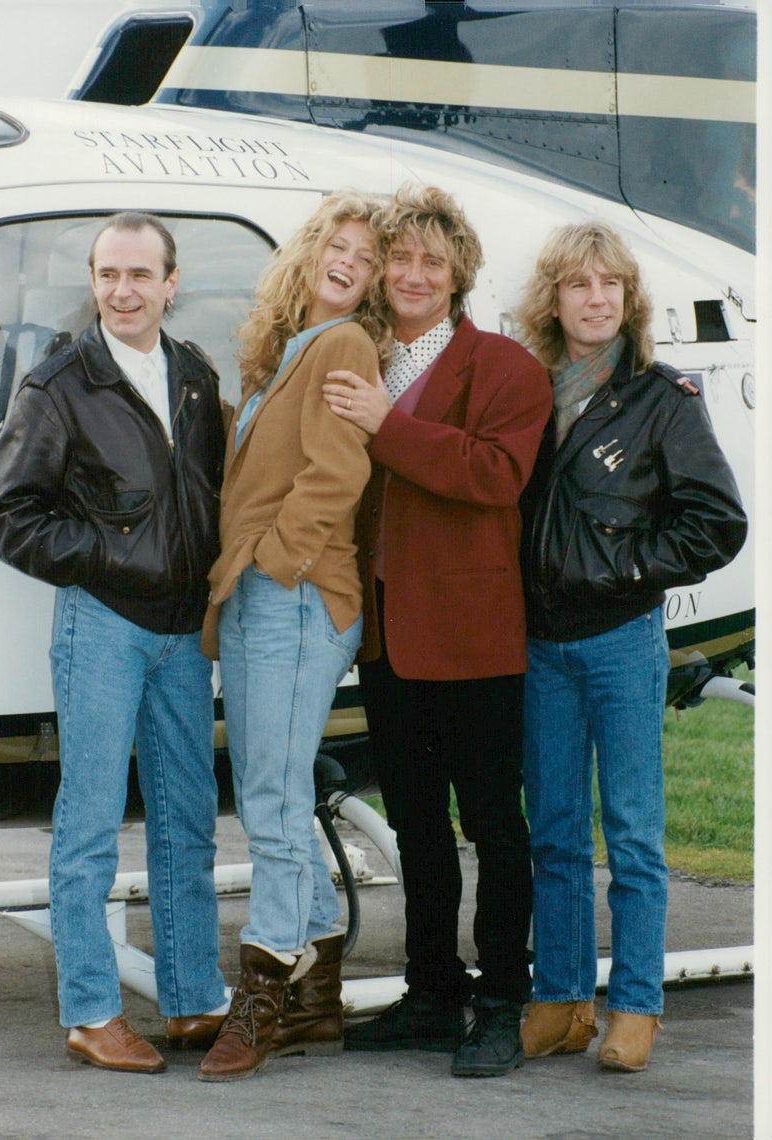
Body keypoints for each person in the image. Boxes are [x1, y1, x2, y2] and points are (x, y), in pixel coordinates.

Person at [0, 211, 230, 1073]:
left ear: (171, 283)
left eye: (140, 275)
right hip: (105, 625)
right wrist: (107, 557)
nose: (122, 291)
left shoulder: (196, 376)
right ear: (92, 281)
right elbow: (9, 519)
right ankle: (91, 1009)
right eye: (107, 274)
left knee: (186, 821)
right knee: (88, 823)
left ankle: (195, 1000)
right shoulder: (58, 385)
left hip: (181, 634)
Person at [321, 184, 552, 1078]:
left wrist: (389, 426)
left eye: (432, 261)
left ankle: (502, 1000)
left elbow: (496, 476)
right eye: (400, 259)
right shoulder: (363, 356)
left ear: (458, 276)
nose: (413, 275)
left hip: (474, 636)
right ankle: (431, 991)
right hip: (387, 638)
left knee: (494, 823)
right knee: (416, 824)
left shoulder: (505, 368)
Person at [514, 219, 747, 1072]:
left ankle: (635, 1004)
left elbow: (719, 522)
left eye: (611, 283)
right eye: (580, 283)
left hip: (621, 640)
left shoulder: (662, 396)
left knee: (636, 835)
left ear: (630, 298)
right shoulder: (527, 393)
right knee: (558, 832)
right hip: (541, 647)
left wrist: (630, 565)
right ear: (555, 299)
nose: (597, 298)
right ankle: (563, 996)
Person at [196, 191, 391, 1082]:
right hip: (261, 596)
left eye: (368, 255)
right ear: (310, 250)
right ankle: (318, 997)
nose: (349, 260)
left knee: (271, 800)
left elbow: (338, 470)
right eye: (338, 243)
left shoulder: (344, 344)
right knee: (274, 792)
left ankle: (265, 987)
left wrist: (275, 565)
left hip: (297, 596)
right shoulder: (285, 352)